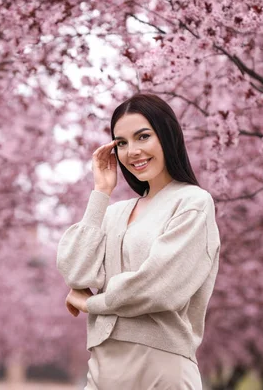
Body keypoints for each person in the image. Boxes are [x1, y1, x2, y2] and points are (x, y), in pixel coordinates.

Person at [56, 94, 221, 389]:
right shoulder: (115, 213)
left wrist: (93, 302)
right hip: (101, 367)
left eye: (142, 136)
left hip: (160, 366)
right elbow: (75, 271)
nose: (132, 151)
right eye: (121, 143)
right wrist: (101, 193)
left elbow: (158, 288)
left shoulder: (192, 203)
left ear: (167, 135)